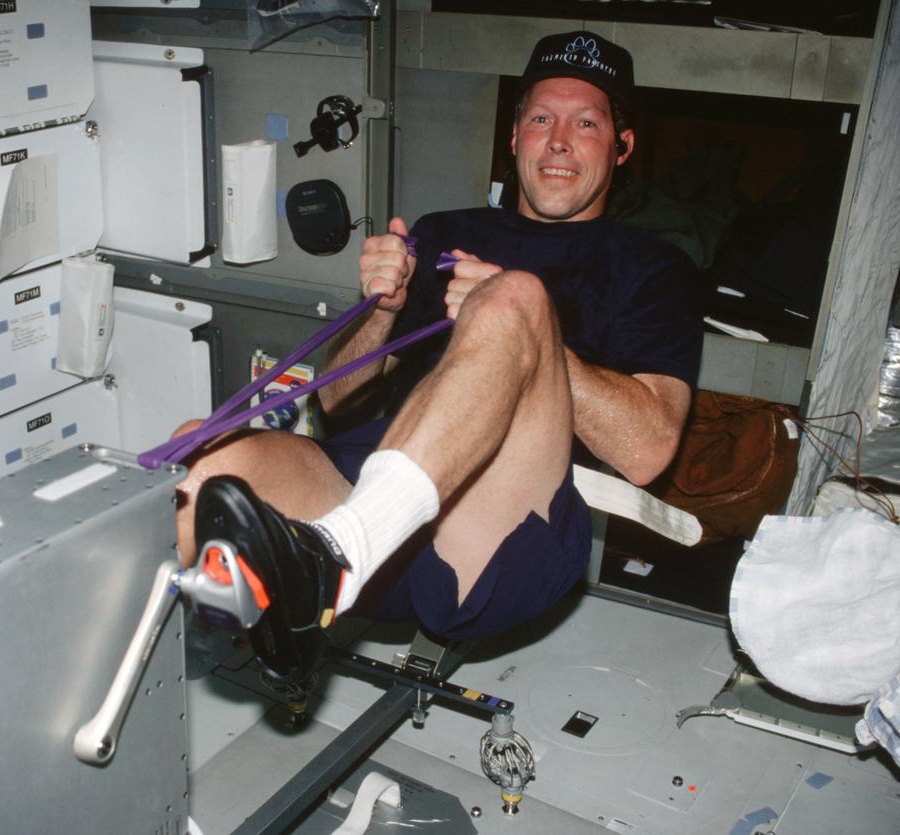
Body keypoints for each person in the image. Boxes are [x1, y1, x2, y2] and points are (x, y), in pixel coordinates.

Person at [175, 31, 702, 684]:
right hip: (369, 502)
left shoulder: (654, 269)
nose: (559, 141)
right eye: (541, 118)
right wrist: (384, 311)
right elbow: (335, 402)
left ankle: (338, 554)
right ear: (514, 137)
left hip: (500, 530)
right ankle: (258, 603)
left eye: (586, 123)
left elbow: (648, 449)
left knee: (515, 298)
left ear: (622, 148)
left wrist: (524, 328)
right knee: (205, 466)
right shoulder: (444, 232)